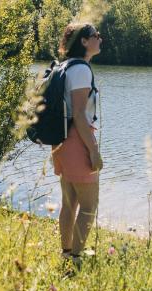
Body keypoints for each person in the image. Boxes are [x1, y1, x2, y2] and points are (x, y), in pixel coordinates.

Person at [53, 23, 103, 267]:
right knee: (88, 206)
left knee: (69, 203)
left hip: (61, 141)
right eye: (95, 36)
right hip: (77, 140)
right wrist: (93, 150)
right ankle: (76, 260)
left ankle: (66, 254)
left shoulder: (65, 67)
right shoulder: (81, 69)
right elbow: (80, 115)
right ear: (84, 41)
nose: (99, 39)